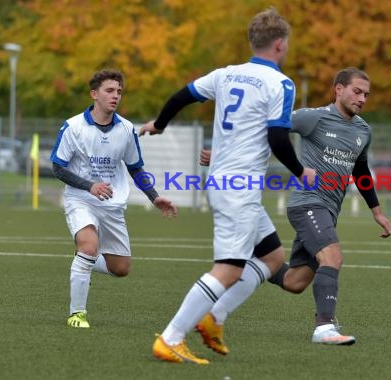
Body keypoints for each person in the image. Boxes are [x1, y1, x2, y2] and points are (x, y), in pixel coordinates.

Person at [139, 8, 315, 365]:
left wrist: (159, 124)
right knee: (230, 268)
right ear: (280, 45)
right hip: (238, 187)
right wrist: (300, 171)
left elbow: (181, 96)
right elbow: (277, 137)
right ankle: (171, 338)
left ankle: (213, 318)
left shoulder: (227, 74)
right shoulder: (280, 83)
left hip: (223, 180)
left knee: (272, 256)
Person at [198, 67, 391, 350]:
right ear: (338, 89)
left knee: (294, 281)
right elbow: (268, 132)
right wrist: (223, 153)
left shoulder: (363, 130)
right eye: (357, 91)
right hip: (307, 204)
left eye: (366, 94)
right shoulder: (313, 117)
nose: (362, 98)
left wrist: (377, 211)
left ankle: (259, 261)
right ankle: (324, 327)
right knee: (333, 258)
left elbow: (360, 171)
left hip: (328, 211)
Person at [50, 69, 177, 329]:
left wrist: (154, 198)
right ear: (94, 94)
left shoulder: (127, 129)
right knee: (88, 246)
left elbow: (135, 168)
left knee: (121, 268)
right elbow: (58, 167)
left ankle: (83, 259)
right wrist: (90, 186)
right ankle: (77, 313)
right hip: (81, 199)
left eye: (119, 91)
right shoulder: (73, 126)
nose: (115, 95)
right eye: (109, 90)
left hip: (112, 205)